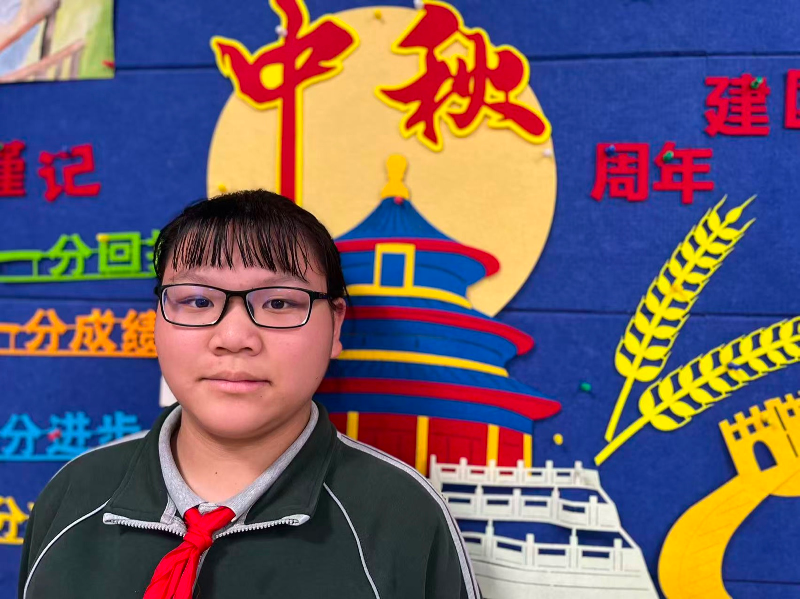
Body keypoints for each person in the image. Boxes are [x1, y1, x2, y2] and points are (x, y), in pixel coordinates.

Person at [17, 190, 481, 599]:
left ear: (335, 324)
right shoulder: (75, 495)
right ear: (157, 318)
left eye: (278, 302)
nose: (234, 337)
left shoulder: (402, 514)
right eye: (198, 301)